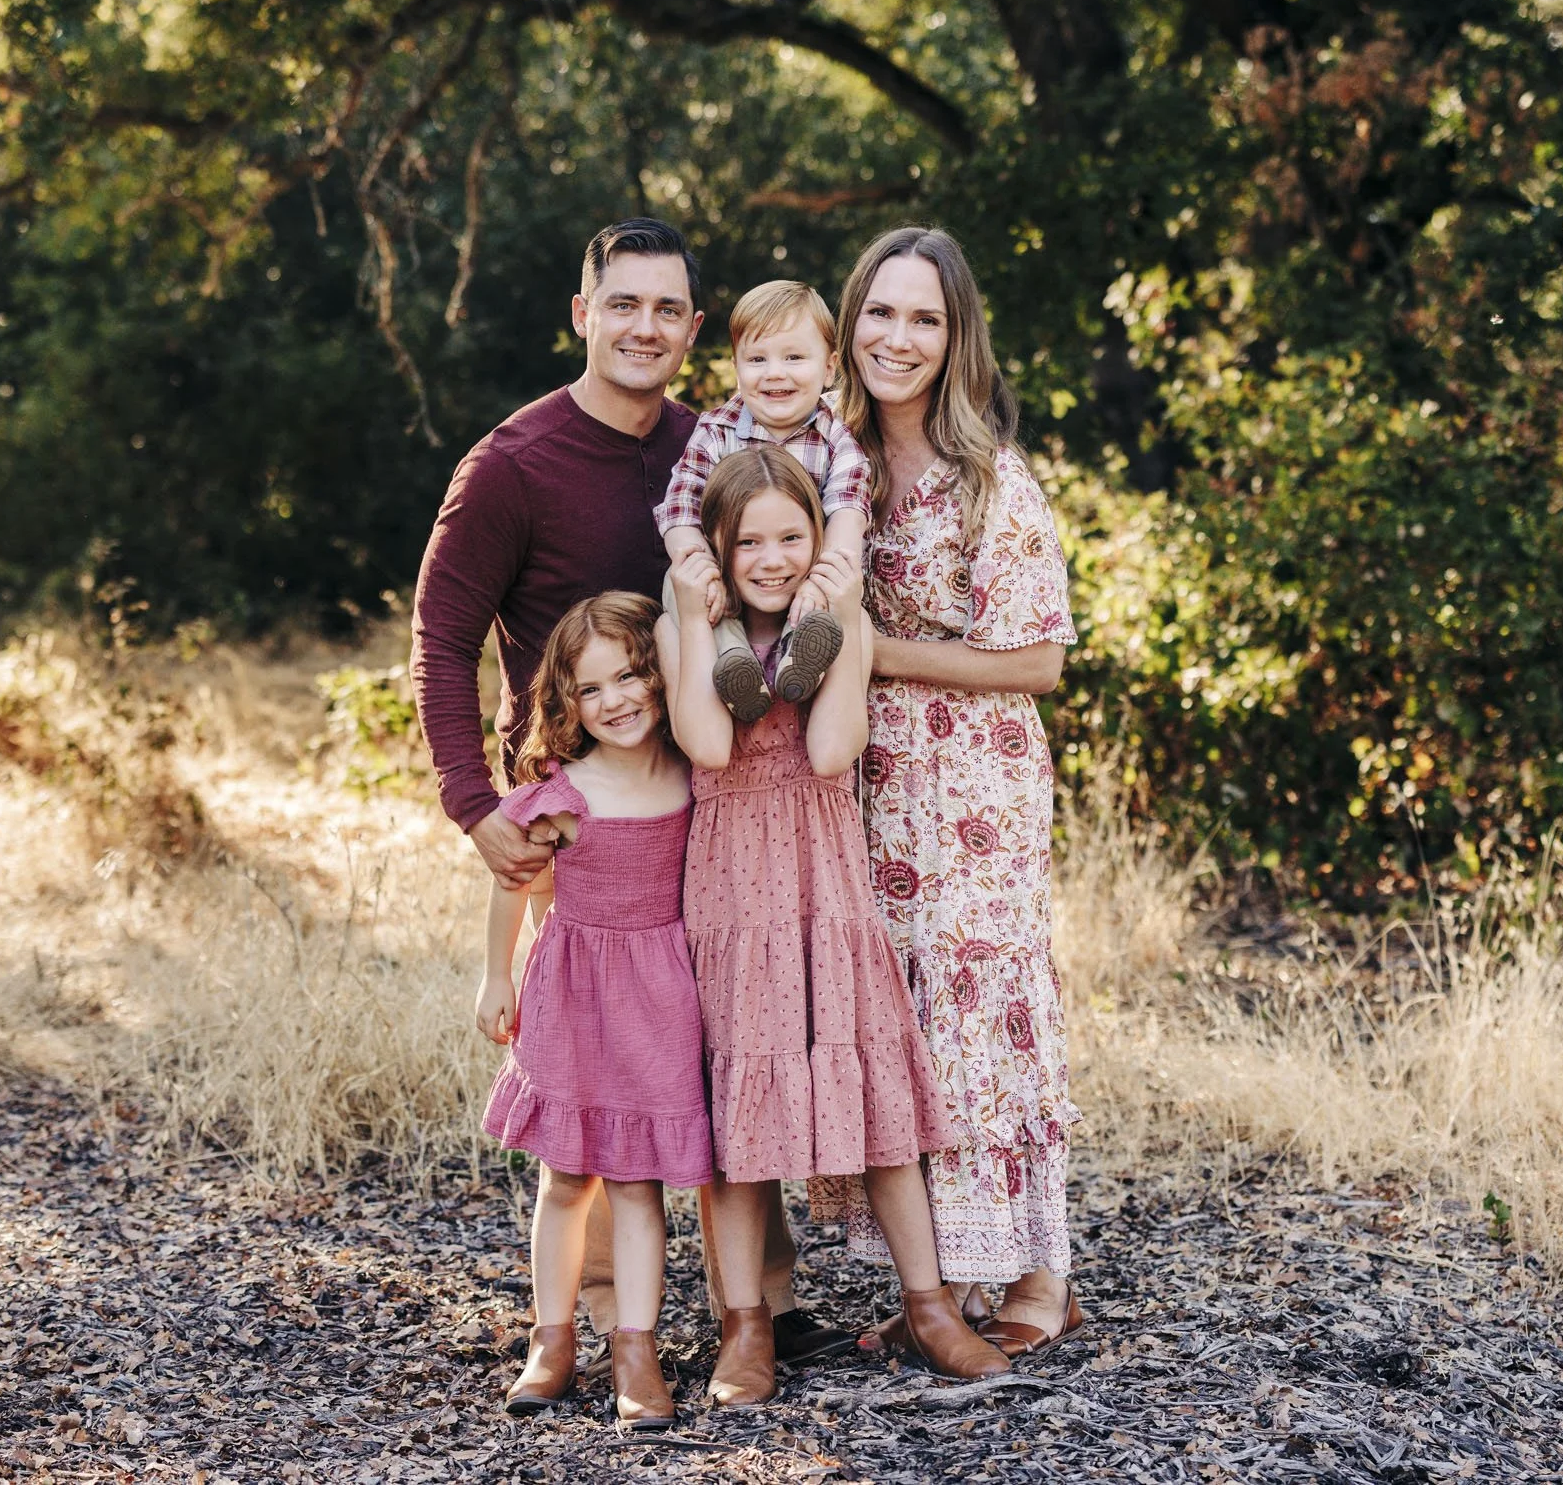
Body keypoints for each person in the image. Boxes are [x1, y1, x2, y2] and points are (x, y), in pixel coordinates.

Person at [410, 217, 843, 1370]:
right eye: (623, 304)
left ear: (693, 330)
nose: (644, 326)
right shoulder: (511, 465)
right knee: (602, 1049)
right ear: (583, 313)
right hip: (581, 801)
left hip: (708, 791)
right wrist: (474, 805)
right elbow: (439, 639)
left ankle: (764, 1299)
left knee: (711, 1039)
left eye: (666, 309)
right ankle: (606, 1314)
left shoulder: (711, 449)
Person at [659, 446, 1011, 1400]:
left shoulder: (842, 620)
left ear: (820, 542)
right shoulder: (681, 621)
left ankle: (929, 1306)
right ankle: (746, 1328)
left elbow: (828, 753)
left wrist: (837, 627)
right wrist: (701, 625)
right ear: (719, 553)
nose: (772, 558)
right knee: (741, 1110)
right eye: (749, 544)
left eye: (792, 537)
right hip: (732, 887)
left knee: (880, 1096)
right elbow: (705, 742)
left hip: (824, 879)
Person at [822, 227, 1085, 1360]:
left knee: (982, 1016)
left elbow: (1038, 663)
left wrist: (875, 650)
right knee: (905, 1023)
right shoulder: (827, 460)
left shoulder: (990, 479)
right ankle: (943, 1282)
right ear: (850, 323)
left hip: (973, 785)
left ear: (954, 335)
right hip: (866, 784)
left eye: (923, 319)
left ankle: (1038, 1276)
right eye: (880, 314)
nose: (898, 337)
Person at [478, 593, 709, 1433]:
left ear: (660, 673)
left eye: (630, 675)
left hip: (660, 999)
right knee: (569, 1178)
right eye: (591, 688)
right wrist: (493, 978)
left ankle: (636, 1351)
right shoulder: (566, 792)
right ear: (565, 704)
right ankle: (553, 1339)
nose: (616, 700)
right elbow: (513, 880)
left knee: (642, 1182)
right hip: (573, 993)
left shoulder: (692, 774)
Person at [656, 280, 870, 722]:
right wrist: (699, 565)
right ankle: (736, 667)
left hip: (800, 581)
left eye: (794, 357)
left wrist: (821, 580)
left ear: (829, 368)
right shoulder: (717, 430)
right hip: (727, 581)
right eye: (757, 359)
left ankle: (799, 653)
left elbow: (848, 514)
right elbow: (680, 503)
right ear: (736, 368)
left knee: (841, 574)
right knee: (677, 582)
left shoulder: (836, 441)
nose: (775, 373)